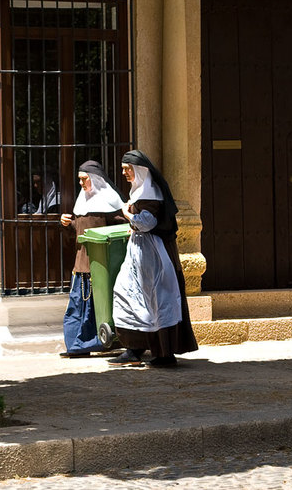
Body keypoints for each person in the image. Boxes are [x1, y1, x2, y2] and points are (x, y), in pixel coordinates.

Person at [109, 150, 199, 367]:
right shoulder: (141, 191)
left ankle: (165, 354)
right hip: (140, 254)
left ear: (140, 170)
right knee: (129, 295)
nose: (124, 173)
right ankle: (135, 348)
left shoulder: (151, 193)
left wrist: (127, 213)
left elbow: (147, 223)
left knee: (157, 301)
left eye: (127, 169)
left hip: (155, 256)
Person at [60, 160, 125, 357]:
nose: (81, 184)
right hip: (80, 265)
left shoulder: (110, 202)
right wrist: (68, 224)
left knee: (98, 307)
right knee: (78, 306)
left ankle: (99, 343)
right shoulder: (83, 202)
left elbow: (121, 229)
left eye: (84, 179)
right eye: (79, 180)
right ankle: (76, 346)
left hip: (100, 265)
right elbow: (81, 232)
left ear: (95, 179)